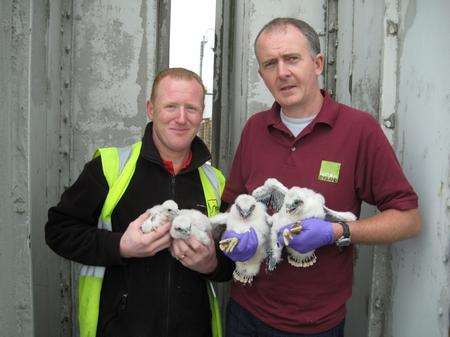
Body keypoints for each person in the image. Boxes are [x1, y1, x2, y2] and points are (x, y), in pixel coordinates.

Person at [221, 18, 421, 337]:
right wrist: (239, 235)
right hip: (244, 313)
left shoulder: (359, 130)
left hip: (313, 325)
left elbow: (408, 219)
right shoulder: (254, 128)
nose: (282, 72)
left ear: (317, 63)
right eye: (270, 64)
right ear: (262, 76)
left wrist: (336, 231)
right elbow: (232, 203)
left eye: (292, 59)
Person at [45, 68, 233, 337]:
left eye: (191, 108)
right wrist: (121, 246)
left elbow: (230, 261)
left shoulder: (216, 181)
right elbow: (58, 231)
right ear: (151, 109)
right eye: (170, 106)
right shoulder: (110, 167)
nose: (181, 118)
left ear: (201, 113)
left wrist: (212, 264)